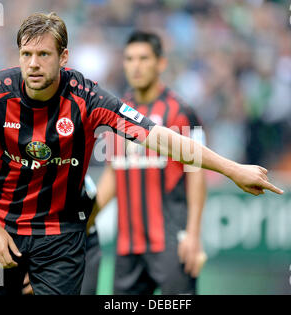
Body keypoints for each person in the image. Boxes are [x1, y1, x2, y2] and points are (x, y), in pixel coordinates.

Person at [0, 12, 283, 295]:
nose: (33, 63)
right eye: (26, 54)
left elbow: (163, 139)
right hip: (0, 226)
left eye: (43, 54)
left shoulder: (90, 98)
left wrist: (232, 169)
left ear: (64, 57)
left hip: (60, 238)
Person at [85, 31, 207, 294]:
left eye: (143, 58)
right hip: (127, 245)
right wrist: (86, 217)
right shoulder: (117, 112)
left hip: (171, 241)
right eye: (129, 59)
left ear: (161, 63)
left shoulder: (181, 111)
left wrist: (194, 235)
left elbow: (196, 173)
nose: (136, 66)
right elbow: (113, 174)